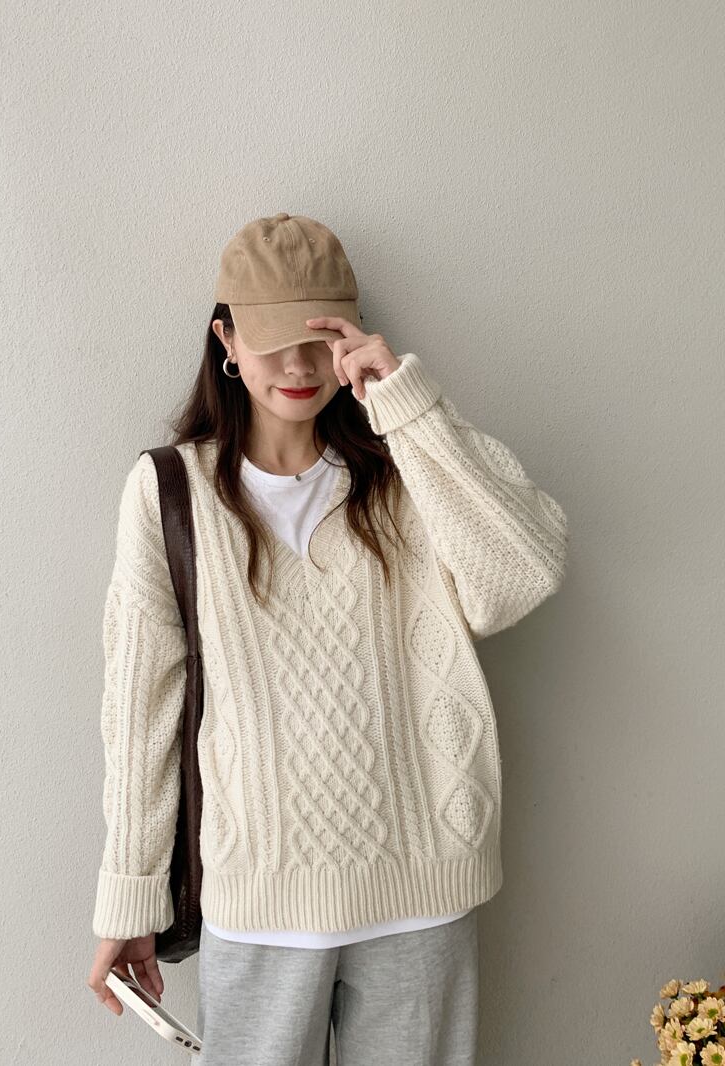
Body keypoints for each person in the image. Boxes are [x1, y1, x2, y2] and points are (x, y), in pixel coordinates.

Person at [86, 212, 569, 1065]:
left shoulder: (405, 471)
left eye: (320, 338)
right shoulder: (171, 490)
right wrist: (130, 900)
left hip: (421, 895)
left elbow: (523, 574)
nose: (299, 367)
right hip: (259, 905)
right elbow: (141, 711)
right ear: (226, 341)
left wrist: (403, 403)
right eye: (273, 341)